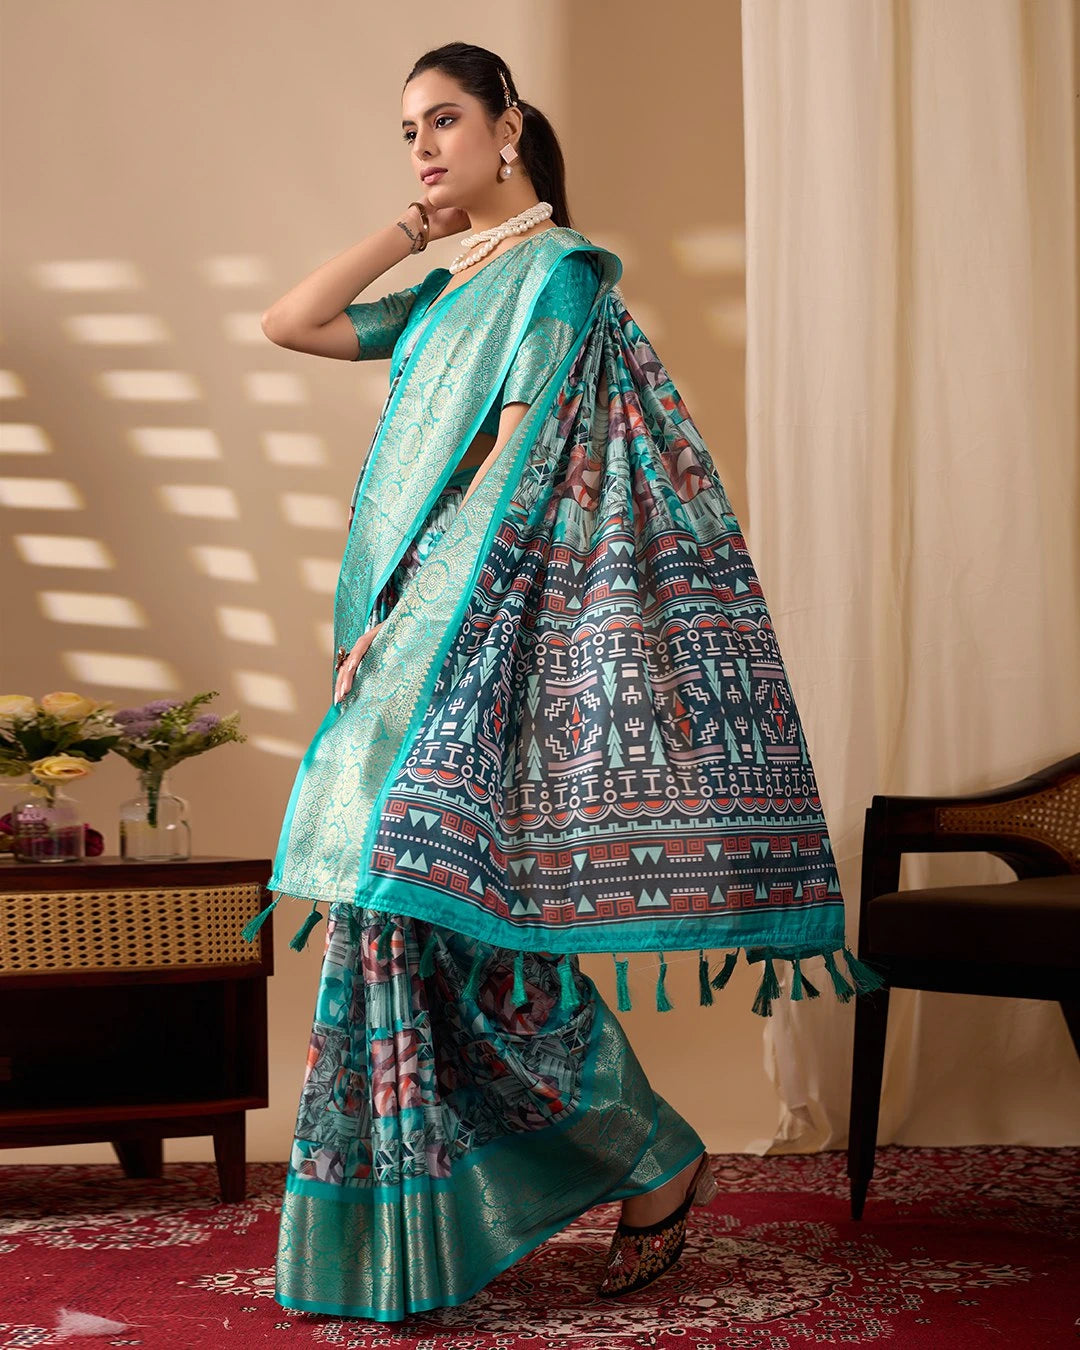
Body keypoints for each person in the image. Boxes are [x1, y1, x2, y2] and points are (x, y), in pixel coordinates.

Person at [250, 41, 884, 1322]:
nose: (424, 146)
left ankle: (647, 1154)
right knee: (403, 919)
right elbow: (293, 322)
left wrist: (412, 617)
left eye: (444, 121)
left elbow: (519, 469)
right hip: (411, 626)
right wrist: (409, 230)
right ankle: (554, 1180)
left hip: (476, 625)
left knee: (455, 912)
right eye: (409, 130)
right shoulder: (449, 287)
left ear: (510, 126)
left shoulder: (556, 278)